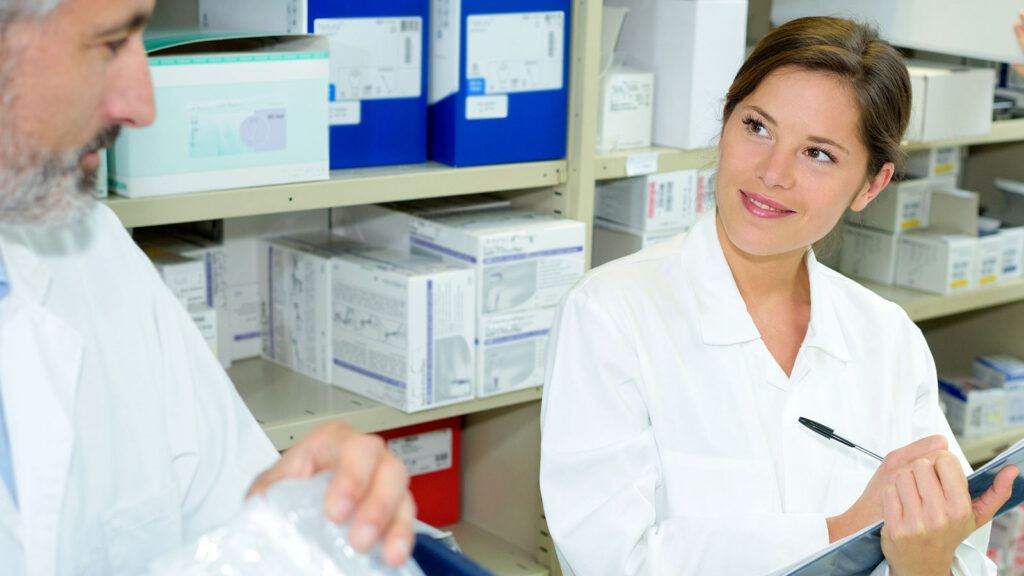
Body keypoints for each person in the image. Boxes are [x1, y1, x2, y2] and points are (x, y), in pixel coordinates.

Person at [539, 16, 1019, 576]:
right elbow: (612, 560)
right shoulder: (610, 313)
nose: (772, 172)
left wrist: (921, 562)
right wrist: (845, 533)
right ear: (725, 121)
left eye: (818, 154)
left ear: (871, 185)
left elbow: (959, 556)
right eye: (758, 127)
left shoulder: (886, 337)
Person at [0, 0, 415, 574]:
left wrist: (296, 520)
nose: (142, 107)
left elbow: (223, 517)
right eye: (108, 44)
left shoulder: (90, 251)